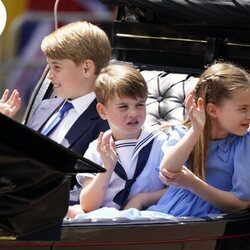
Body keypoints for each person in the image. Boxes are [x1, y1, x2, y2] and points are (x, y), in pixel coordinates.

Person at [147, 62, 250, 217]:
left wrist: (193, 184)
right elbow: (167, 170)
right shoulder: (184, 133)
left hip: (204, 223)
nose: (249, 115)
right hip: (164, 214)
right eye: (243, 109)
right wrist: (196, 131)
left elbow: (240, 204)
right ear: (213, 110)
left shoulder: (243, 143)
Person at [26, 21, 111, 204]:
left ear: (87, 68)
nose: (49, 75)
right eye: (48, 66)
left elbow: (89, 189)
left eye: (57, 67)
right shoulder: (45, 107)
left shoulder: (107, 121)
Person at [67, 64, 167, 218]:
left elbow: (178, 190)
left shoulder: (160, 142)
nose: (133, 113)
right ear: (103, 111)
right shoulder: (97, 149)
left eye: (140, 105)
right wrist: (107, 167)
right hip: (107, 224)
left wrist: (142, 199)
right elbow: (88, 205)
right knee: (73, 212)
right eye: (123, 107)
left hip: (150, 219)